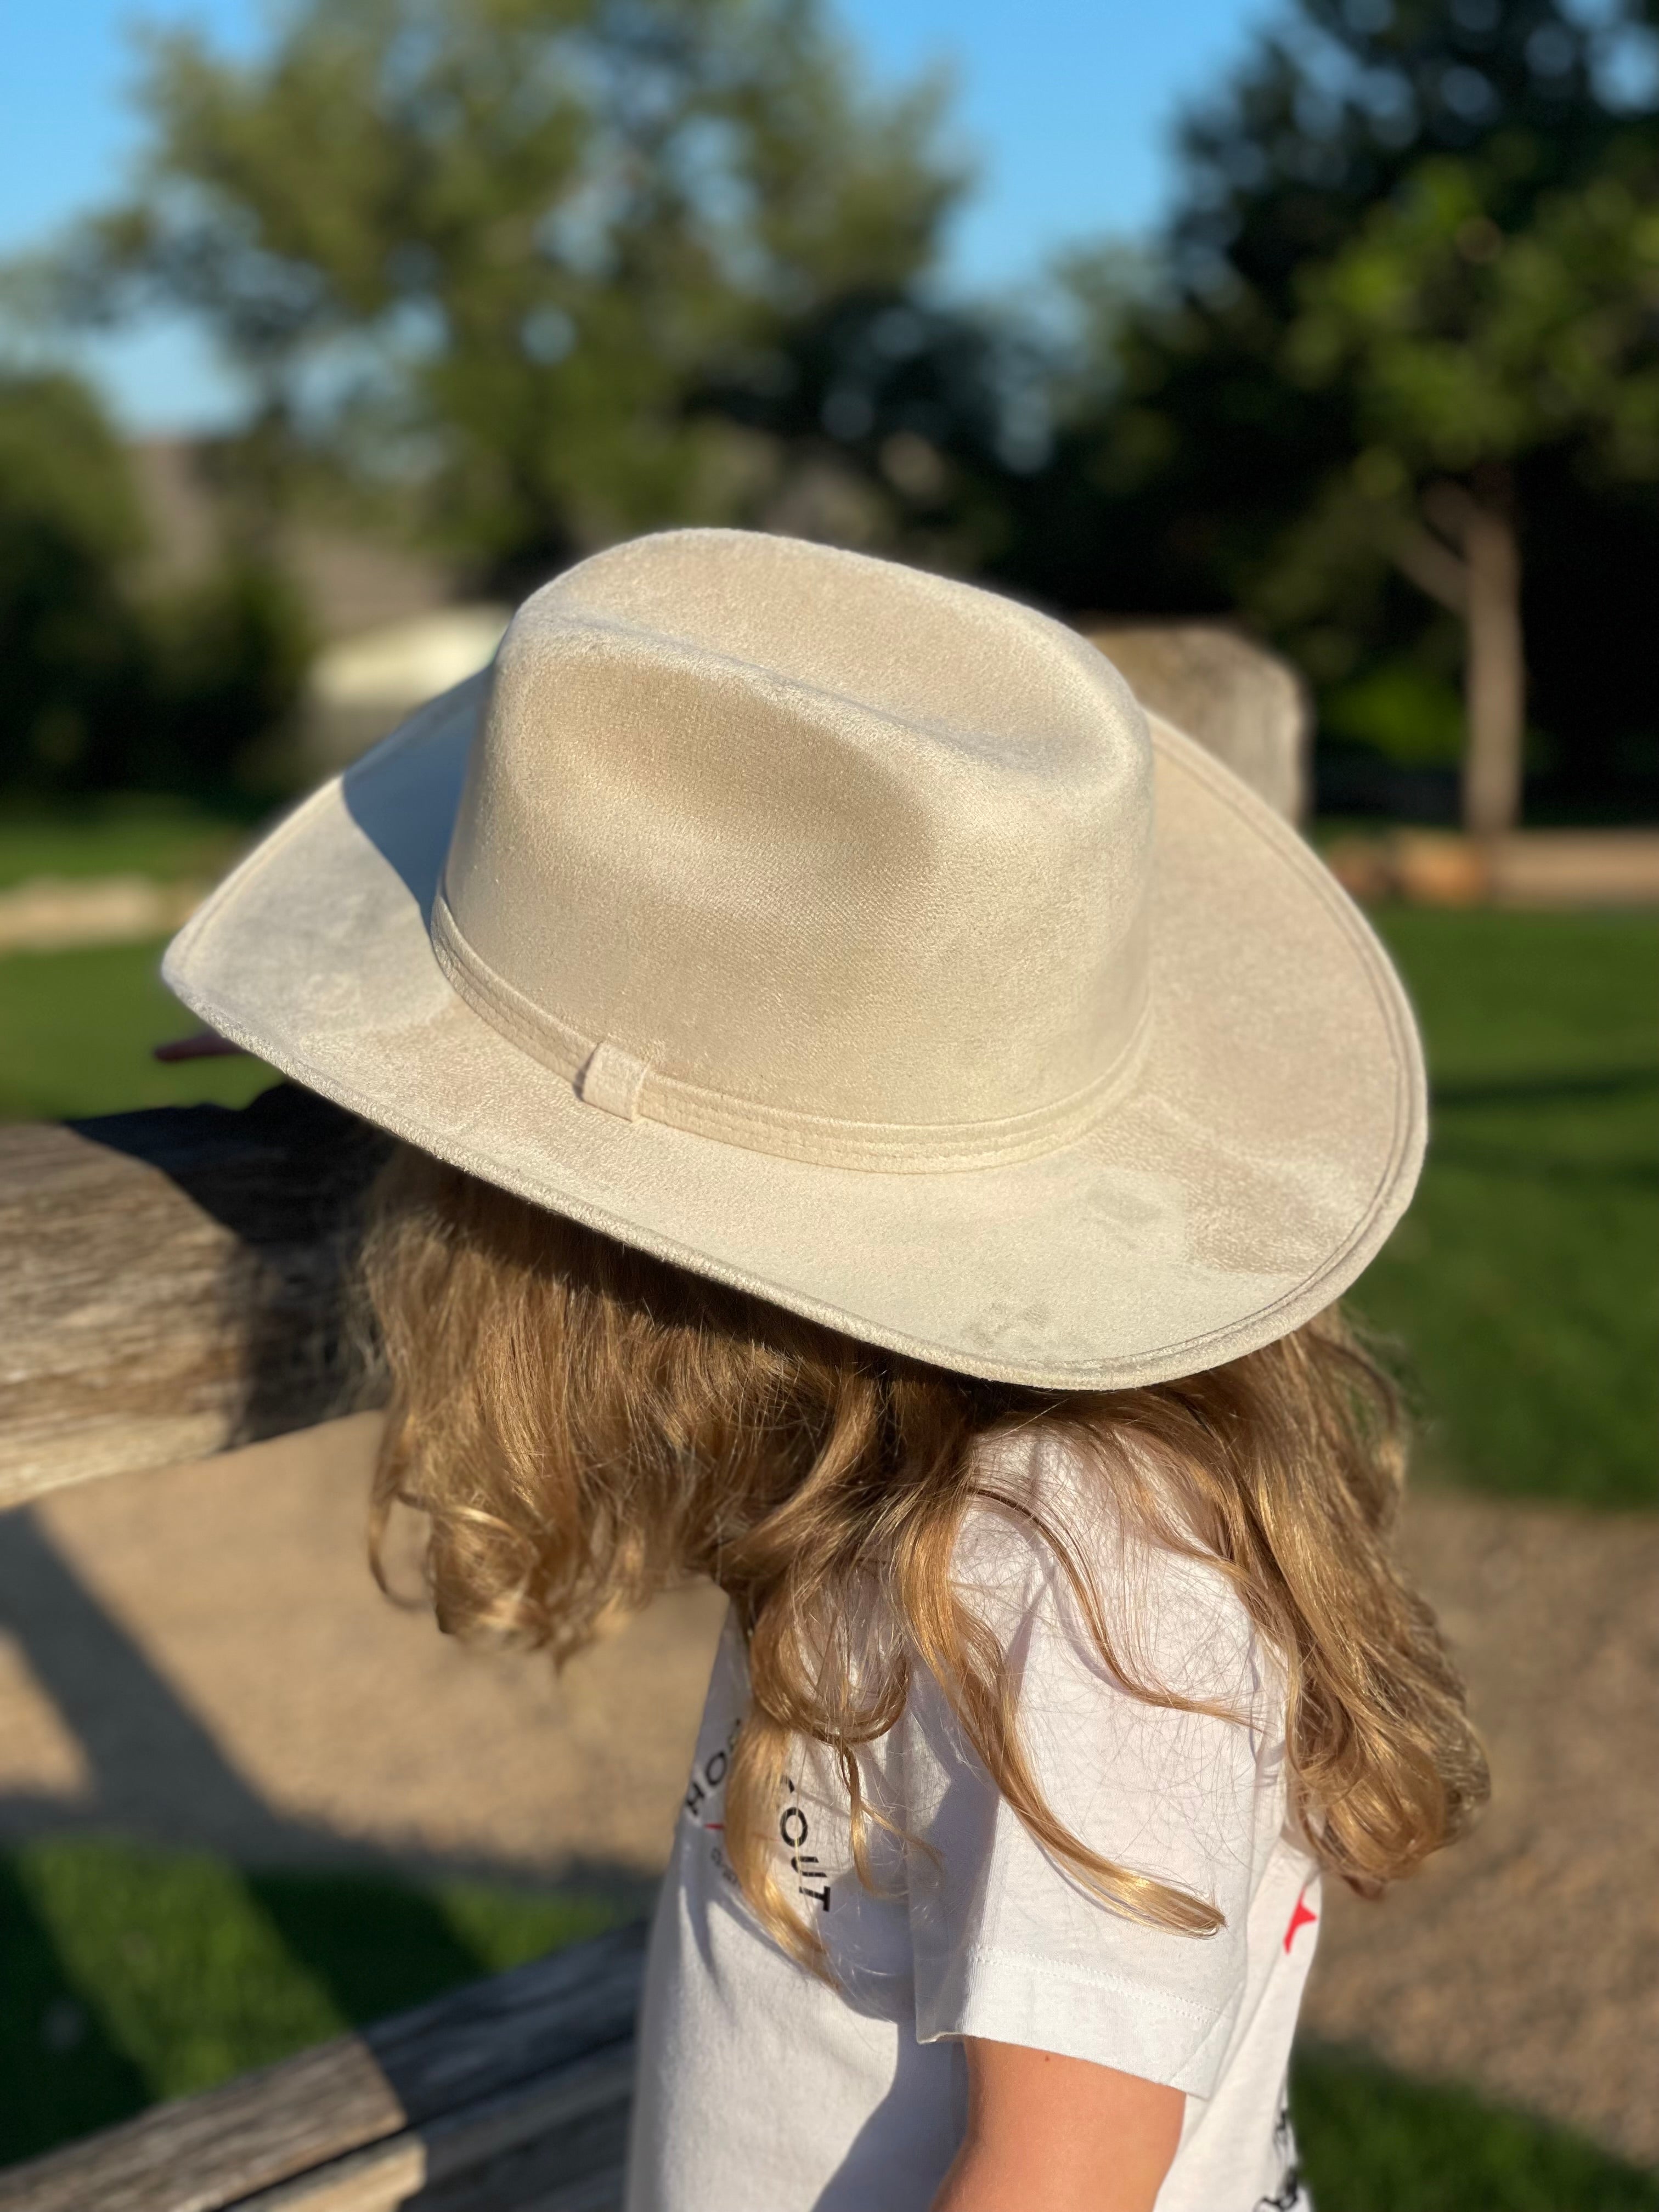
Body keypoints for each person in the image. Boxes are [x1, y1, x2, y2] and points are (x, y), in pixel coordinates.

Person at [164, 529, 1486, 2211]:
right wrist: (379, 1045)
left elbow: (1068, 2175)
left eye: (457, 1165)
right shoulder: (941, 1482)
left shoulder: (1083, 1586)